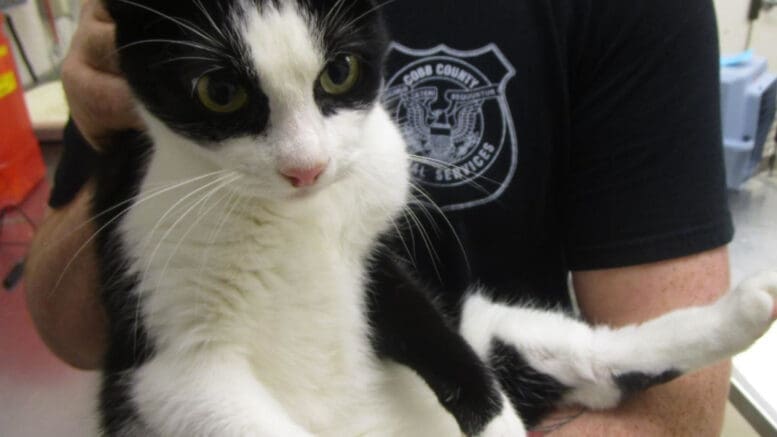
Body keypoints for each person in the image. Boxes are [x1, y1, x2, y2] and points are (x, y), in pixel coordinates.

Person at [25, 0, 734, 435]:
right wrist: (114, 131)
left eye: (337, 76)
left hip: (424, 399)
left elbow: (678, 413)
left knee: (515, 336)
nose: (304, 163)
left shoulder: (635, 12)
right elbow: (75, 333)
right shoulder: (164, 47)